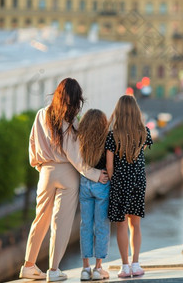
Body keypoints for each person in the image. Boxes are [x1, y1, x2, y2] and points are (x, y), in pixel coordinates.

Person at [19, 78, 109, 282]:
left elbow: (32, 143)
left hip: (46, 173)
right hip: (67, 174)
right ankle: (53, 270)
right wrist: (96, 175)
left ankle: (29, 266)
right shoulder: (70, 123)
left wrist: (40, 166)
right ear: (76, 100)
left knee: (39, 220)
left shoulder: (41, 114)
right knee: (61, 223)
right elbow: (76, 158)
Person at [106, 94, 153, 279]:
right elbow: (141, 154)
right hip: (138, 182)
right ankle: (136, 264)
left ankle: (124, 267)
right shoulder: (144, 132)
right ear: (135, 112)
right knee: (136, 225)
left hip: (119, 183)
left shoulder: (112, 136)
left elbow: (109, 165)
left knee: (121, 225)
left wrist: (113, 181)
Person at [78, 109, 110, 281]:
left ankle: (85, 268)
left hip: (84, 183)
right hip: (102, 184)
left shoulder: (80, 139)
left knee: (85, 226)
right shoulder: (107, 139)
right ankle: (98, 268)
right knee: (101, 226)